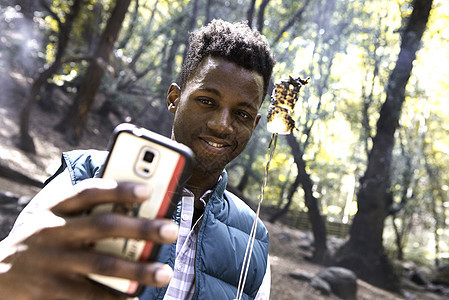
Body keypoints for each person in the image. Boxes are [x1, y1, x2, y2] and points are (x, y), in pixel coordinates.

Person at [0, 19, 275, 299]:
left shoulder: (254, 238)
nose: (221, 124)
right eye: (207, 101)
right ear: (174, 99)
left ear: (254, 125)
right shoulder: (83, 179)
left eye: (241, 114)